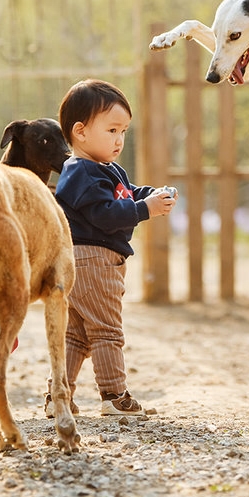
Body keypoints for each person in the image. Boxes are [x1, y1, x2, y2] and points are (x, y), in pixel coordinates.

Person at [45, 78, 176, 417]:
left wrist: (151, 195)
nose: (119, 140)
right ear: (81, 131)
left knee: (78, 335)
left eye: (124, 132)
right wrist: (146, 209)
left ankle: (58, 396)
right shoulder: (78, 172)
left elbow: (127, 193)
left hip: (91, 262)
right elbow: (105, 215)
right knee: (106, 330)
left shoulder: (105, 169)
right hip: (91, 260)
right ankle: (114, 395)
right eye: (112, 130)